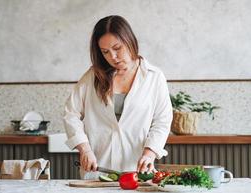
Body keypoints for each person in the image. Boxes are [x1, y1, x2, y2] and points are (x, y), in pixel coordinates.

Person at [63, 15, 172, 179]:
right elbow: (71, 114)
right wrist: (84, 149)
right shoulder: (93, 76)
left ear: (130, 41)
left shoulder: (154, 77)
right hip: (97, 170)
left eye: (117, 48)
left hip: (137, 171)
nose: (112, 57)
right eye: (105, 52)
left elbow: (162, 121)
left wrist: (150, 153)